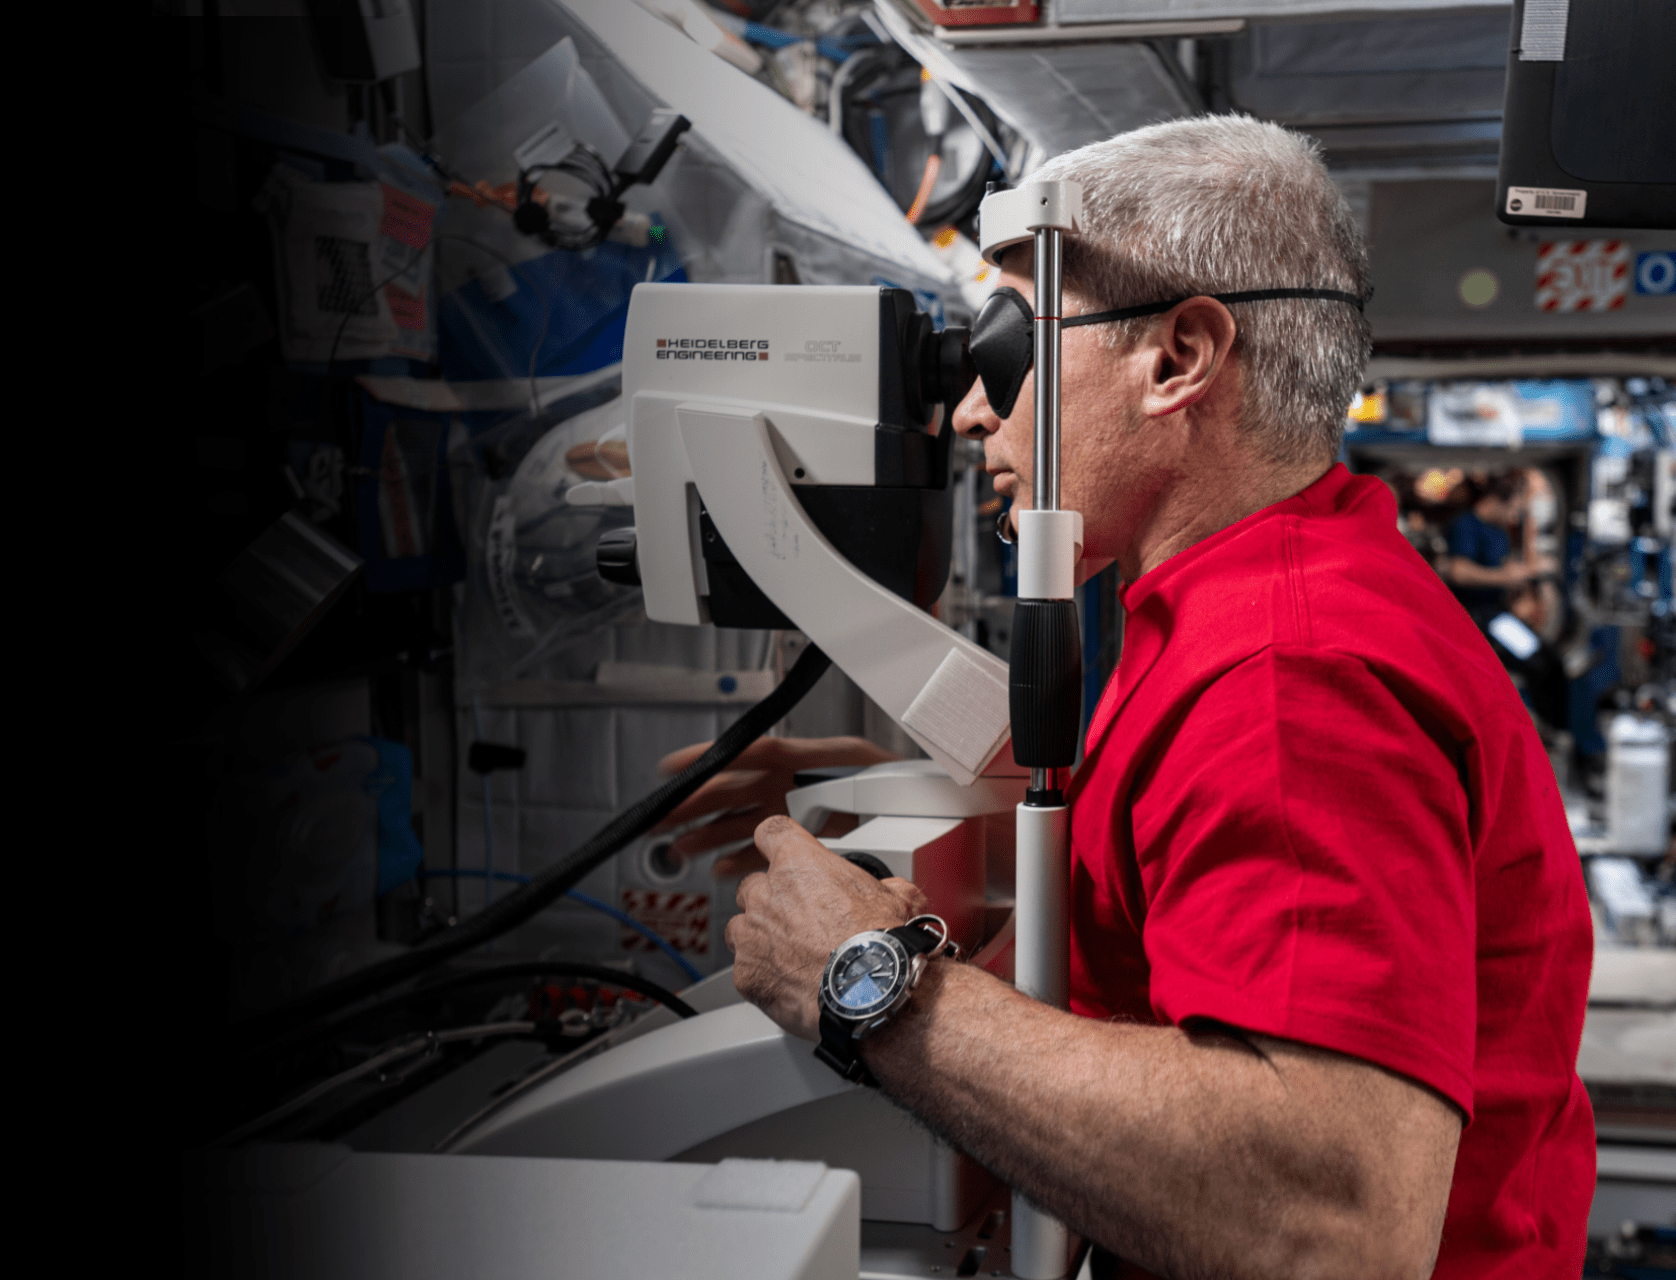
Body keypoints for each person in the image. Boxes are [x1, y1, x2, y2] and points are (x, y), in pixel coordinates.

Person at [657, 116, 1594, 1280]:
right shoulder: (1256, 591)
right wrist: (968, 801)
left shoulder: (1288, 670)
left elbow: (1332, 1223)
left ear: (1178, 358)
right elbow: (1201, 852)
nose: (968, 414)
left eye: (1006, 353)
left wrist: (871, 980)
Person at [1446, 475, 1534, 622]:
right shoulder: (1465, 524)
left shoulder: (1500, 531)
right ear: (1495, 502)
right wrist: (1504, 578)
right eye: (1513, 509)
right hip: (1468, 615)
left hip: (1496, 611)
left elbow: (1503, 563)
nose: (1514, 518)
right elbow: (1458, 572)